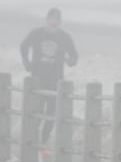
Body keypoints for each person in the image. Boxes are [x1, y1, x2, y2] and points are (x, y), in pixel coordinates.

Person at [20, 8, 78, 148]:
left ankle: (43, 144)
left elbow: (74, 56)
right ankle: (31, 143)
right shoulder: (36, 33)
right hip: (37, 78)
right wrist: (27, 63)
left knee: (52, 114)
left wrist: (70, 61)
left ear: (60, 21)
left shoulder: (65, 37)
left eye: (57, 19)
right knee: (35, 112)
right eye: (52, 18)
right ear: (47, 19)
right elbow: (23, 46)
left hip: (55, 80)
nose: (54, 21)